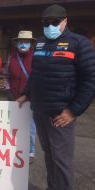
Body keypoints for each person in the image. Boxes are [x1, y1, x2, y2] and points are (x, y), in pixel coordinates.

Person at [17, 4, 95, 190]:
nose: (50, 25)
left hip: (61, 115)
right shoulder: (41, 42)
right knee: (49, 155)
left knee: (61, 161)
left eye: (54, 22)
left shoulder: (79, 43)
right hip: (40, 110)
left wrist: (73, 111)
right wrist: (26, 94)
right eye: (46, 22)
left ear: (65, 21)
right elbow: (36, 74)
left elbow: (90, 80)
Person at [3, 30, 37, 163]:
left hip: (30, 99)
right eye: (21, 42)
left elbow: (38, 78)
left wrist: (28, 95)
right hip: (13, 98)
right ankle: (14, 148)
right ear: (17, 43)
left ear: (31, 43)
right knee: (13, 126)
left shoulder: (36, 58)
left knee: (30, 128)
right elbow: (6, 75)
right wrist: (8, 91)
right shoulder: (11, 58)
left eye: (26, 42)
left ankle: (30, 152)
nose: (23, 44)